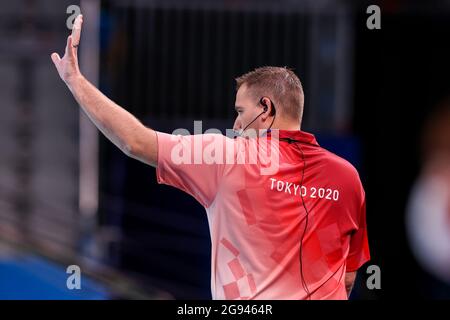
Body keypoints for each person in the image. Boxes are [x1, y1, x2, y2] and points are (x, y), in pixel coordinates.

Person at [51, 15, 370, 299]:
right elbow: (348, 276)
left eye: (240, 112)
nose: (234, 125)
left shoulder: (227, 155)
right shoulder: (346, 177)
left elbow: (134, 141)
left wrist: (75, 81)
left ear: (266, 109)